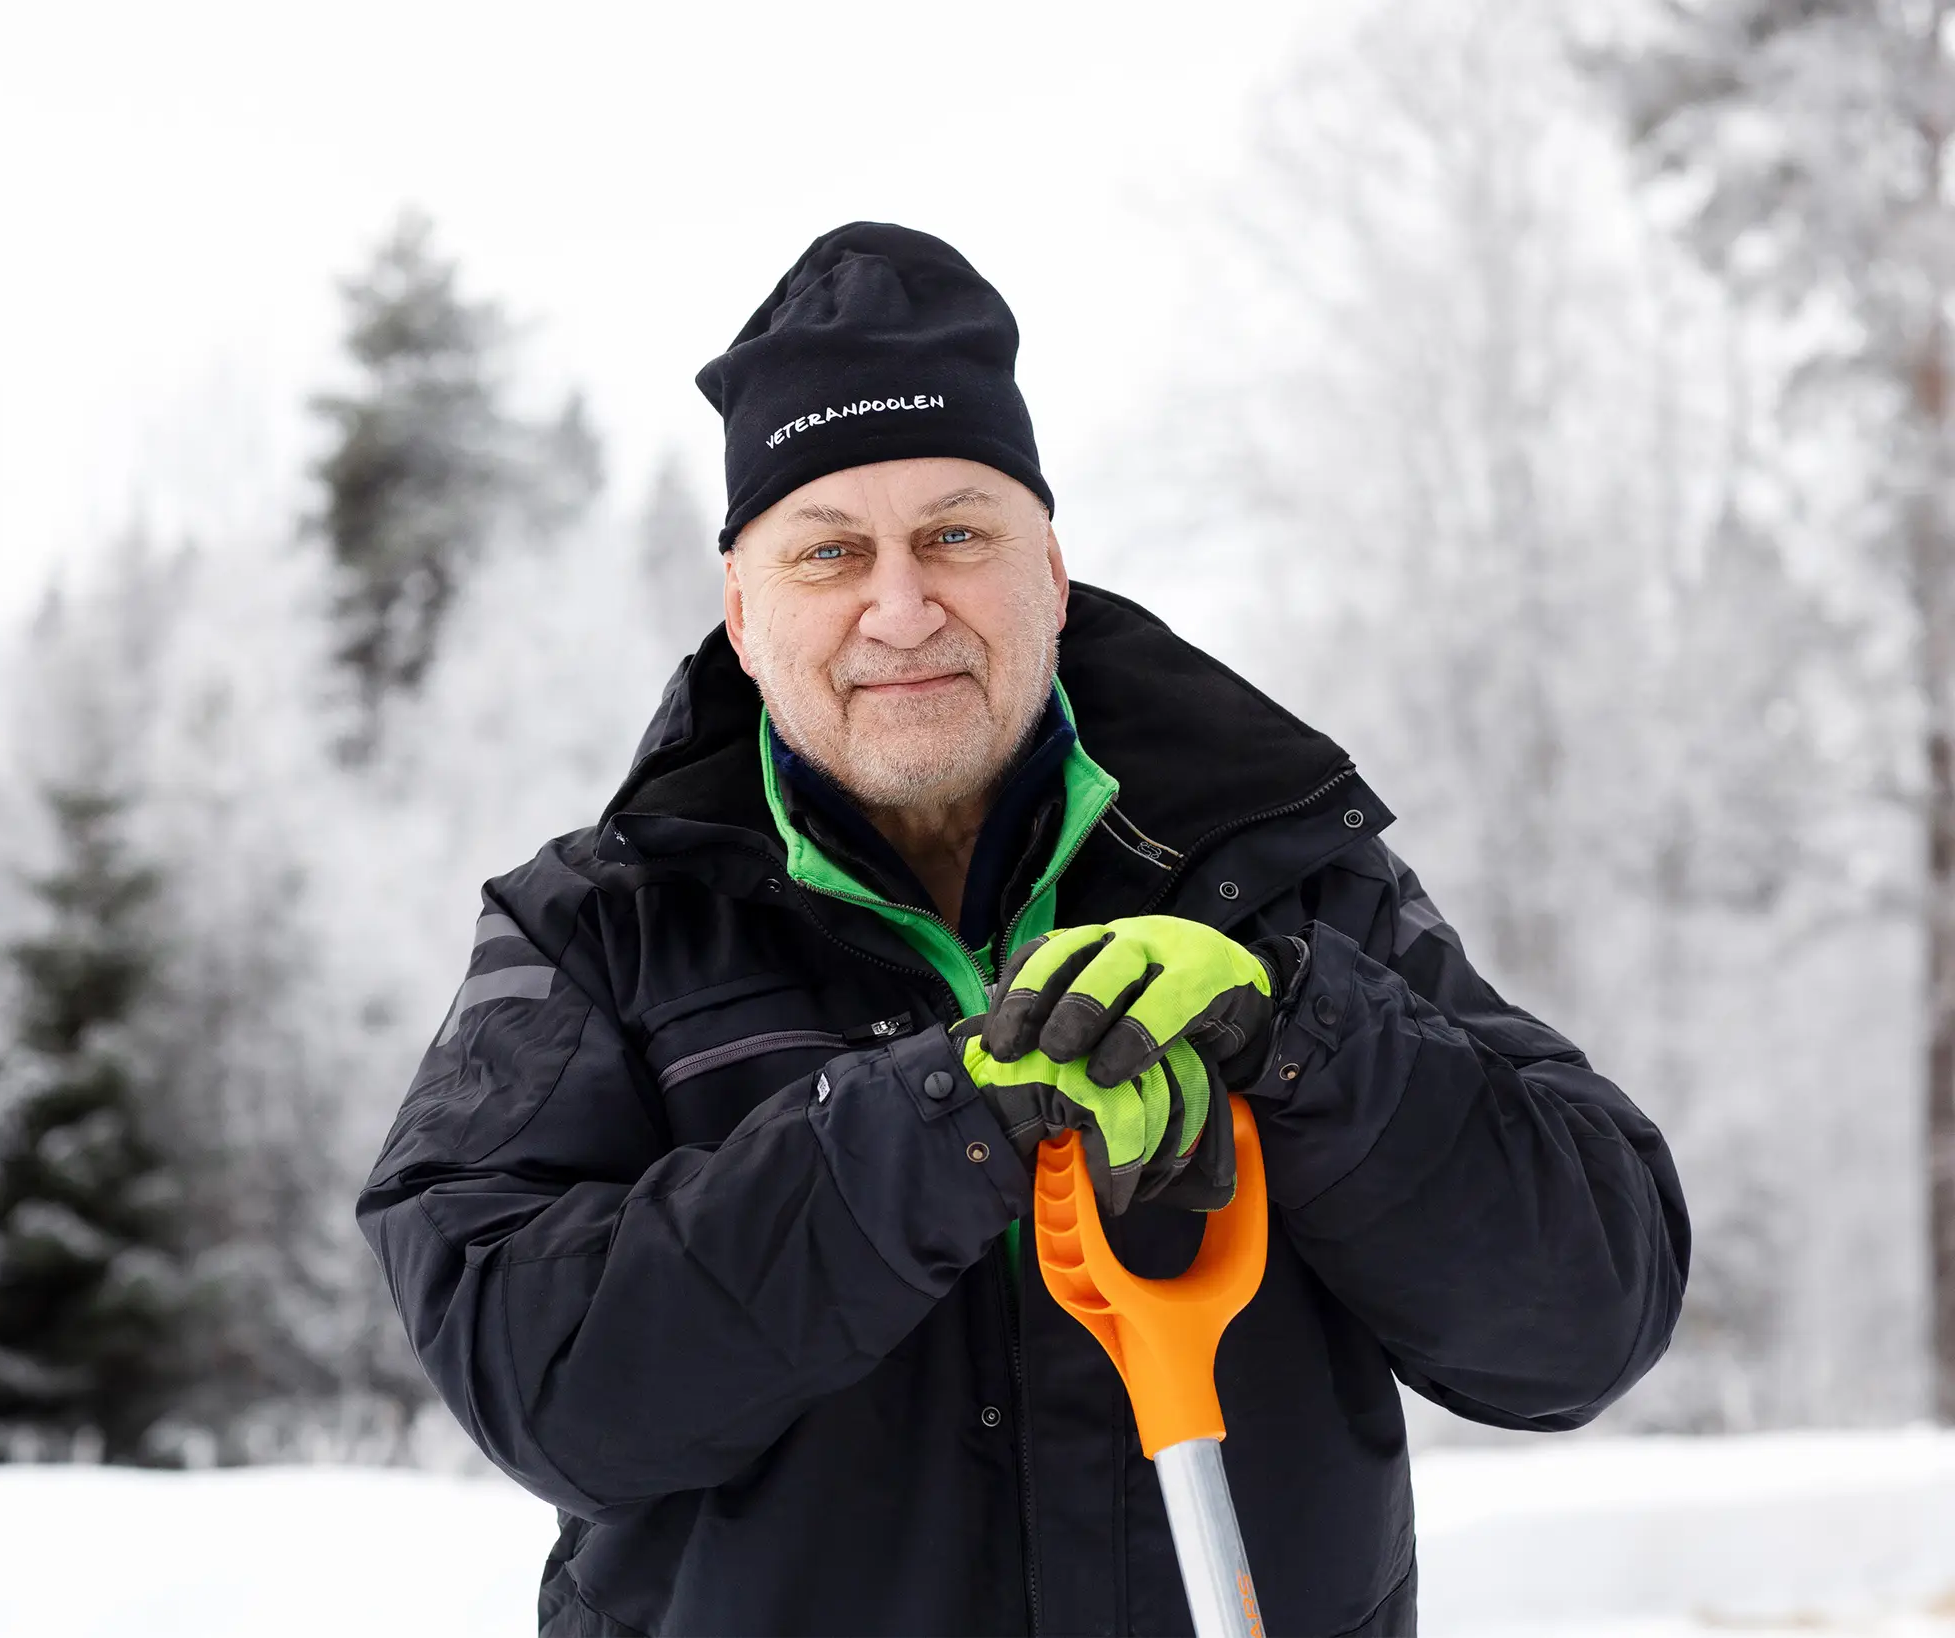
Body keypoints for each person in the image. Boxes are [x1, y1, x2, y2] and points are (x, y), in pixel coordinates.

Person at [357, 221, 1689, 1638]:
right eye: (829, 551)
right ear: (742, 616)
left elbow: (1587, 1317)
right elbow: (545, 1376)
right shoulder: (598, 931)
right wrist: (939, 1126)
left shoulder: (1284, 875)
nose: (901, 604)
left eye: (955, 534)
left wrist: (1302, 1034)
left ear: (1049, 571)